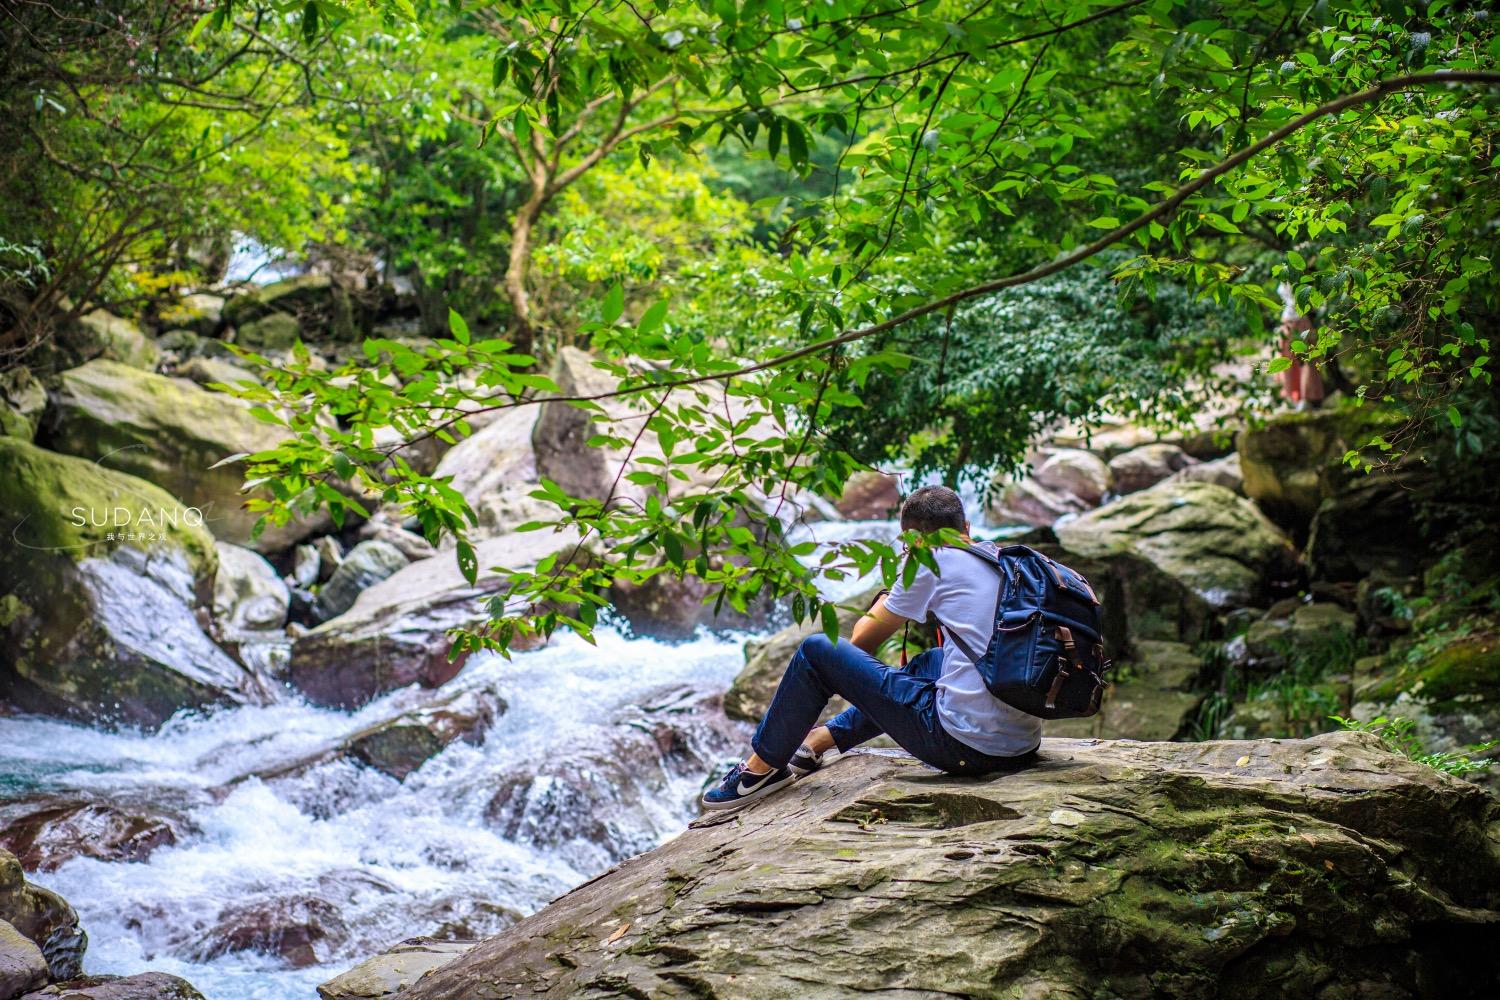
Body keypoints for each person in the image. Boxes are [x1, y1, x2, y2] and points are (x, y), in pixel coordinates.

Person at [702, 485, 1042, 810]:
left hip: (963, 747)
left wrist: (892, 590)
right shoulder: (1001, 559)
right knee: (933, 662)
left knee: (817, 650)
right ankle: (818, 741)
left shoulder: (928, 561)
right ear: (966, 527)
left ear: (912, 540)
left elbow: (862, 642)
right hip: (1022, 744)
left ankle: (759, 770)